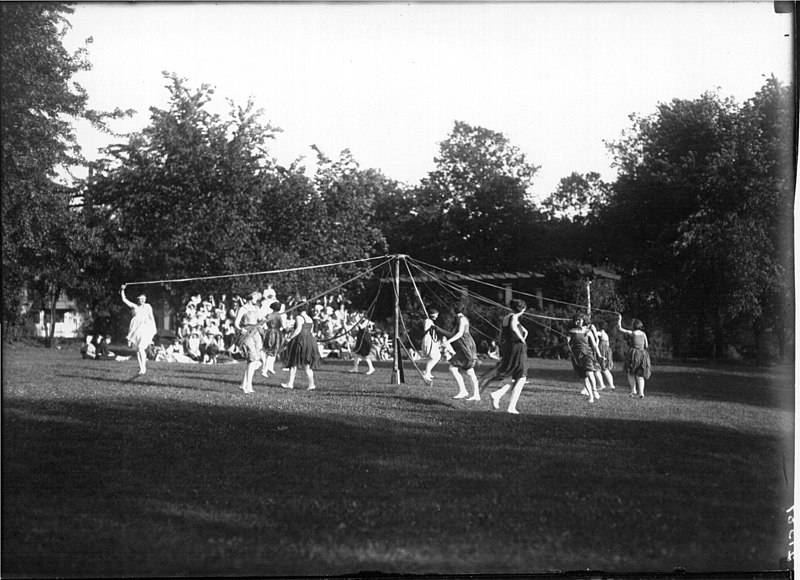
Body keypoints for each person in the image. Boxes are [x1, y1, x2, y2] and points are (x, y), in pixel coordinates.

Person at [480, 299, 529, 414]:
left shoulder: (507, 317)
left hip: (509, 348)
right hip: (517, 349)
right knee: (522, 377)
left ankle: (497, 395)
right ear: (522, 310)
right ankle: (511, 407)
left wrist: (523, 334)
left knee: (517, 377)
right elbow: (513, 327)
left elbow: (505, 333)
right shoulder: (514, 317)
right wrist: (522, 339)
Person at [436, 303, 480, 400]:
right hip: (463, 346)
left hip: (466, 346)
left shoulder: (462, 319)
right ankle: (475, 395)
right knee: (469, 371)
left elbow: (460, 333)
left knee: (455, 368)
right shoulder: (459, 319)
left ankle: (465, 391)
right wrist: (439, 329)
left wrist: (447, 342)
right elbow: (452, 334)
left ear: (454, 310)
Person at [281, 303, 321, 390]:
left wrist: (289, 338)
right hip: (309, 341)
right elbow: (311, 331)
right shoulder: (310, 318)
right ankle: (311, 384)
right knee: (306, 364)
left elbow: (298, 329)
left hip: (300, 341)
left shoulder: (299, 317)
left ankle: (291, 383)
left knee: (294, 362)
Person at [121, 285, 158, 375]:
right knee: (138, 350)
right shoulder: (135, 307)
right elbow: (124, 299)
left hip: (145, 329)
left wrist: (154, 327)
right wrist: (122, 289)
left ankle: (143, 368)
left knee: (141, 348)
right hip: (135, 331)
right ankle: (141, 367)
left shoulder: (148, 306)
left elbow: (151, 317)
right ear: (138, 299)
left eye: (144, 299)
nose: (142, 300)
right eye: (141, 299)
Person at [567, 313, 603, 403]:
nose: (577, 321)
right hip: (576, 355)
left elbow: (594, 345)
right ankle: (590, 396)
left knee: (589, 372)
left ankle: (595, 390)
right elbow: (569, 346)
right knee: (583, 377)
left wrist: (599, 355)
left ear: (584, 320)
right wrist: (567, 341)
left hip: (587, 353)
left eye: (579, 320)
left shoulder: (588, 331)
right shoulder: (572, 331)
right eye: (576, 320)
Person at [234, 290, 265, 394]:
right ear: (251, 297)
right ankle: (248, 386)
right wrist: (240, 329)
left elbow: (260, 320)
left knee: (255, 360)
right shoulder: (243, 308)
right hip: (247, 333)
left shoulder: (256, 308)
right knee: (251, 359)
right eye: (256, 296)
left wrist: (264, 320)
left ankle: (244, 384)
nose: (257, 299)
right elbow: (236, 323)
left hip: (256, 333)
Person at [617, 314, 652, 398]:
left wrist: (619, 319)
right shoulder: (643, 334)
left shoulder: (632, 333)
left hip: (633, 354)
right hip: (643, 354)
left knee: (630, 373)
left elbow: (619, 328)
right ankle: (641, 393)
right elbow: (646, 345)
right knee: (640, 374)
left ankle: (633, 390)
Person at [261, 302, 285, 377]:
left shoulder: (268, 315)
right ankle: (265, 370)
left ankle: (270, 367)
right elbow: (283, 326)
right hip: (276, 333)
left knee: (271, 350)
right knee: (272, 352)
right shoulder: (279, 316)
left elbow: (263, 322)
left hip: (268, 332)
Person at [420, 309, 442, 385]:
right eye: (436, 315)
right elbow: (425, 330)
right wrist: (432, 328)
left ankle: (427, 371)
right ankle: (426, 373)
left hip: (432, 340)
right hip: (428, 340)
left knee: (438, 356)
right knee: (433, 357)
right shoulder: (427, 321)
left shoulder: (430, 321)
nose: (437, 317)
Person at [595, 320, 616, 390]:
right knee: (605, 369)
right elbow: (608, 344)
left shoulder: (601, 333)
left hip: (602, 351)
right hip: (607, 351)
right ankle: (611, 385)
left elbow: (594, 333)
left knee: (597, 368)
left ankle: (602, 385)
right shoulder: (606, 334)